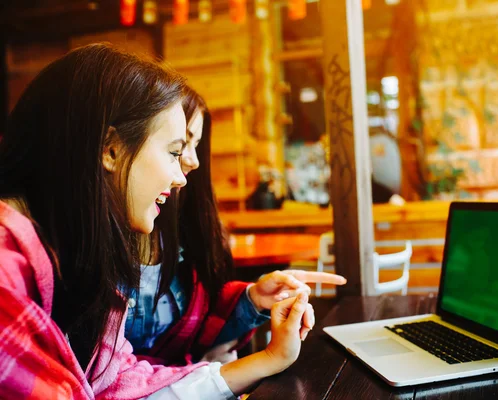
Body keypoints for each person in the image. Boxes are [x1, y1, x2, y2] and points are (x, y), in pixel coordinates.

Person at [0, 44, 313, 399]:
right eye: (174, 151)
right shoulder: (7, 273)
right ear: (110, 149)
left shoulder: (72, 257)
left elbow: (121, 382)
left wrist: (270, 355)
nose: (183, 173)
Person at [125, 86, 348, 367]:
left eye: (196, 145)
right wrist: (260, 364)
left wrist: (253, 300)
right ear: (114, 150)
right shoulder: (97, 250)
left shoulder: (183, 236)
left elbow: (200, 337)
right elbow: (112, 376)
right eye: (179, 146)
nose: (192, 160)